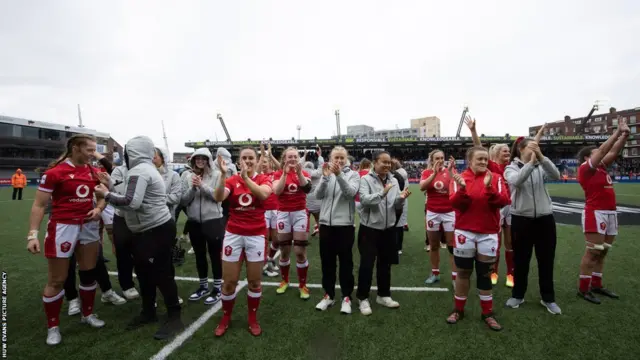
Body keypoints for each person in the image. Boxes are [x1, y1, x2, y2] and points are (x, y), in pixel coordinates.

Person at [95, 135, 183, 340]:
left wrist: (106, 194)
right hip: (147, 230)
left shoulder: (139, 171)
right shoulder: (144, 169)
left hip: (155, 229)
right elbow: (131, 195)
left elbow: (130, 202)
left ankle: (175, 317)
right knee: (143, 273)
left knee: (161, 274)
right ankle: (149, 311)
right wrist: (110, 184)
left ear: (132, 152)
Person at [27, 134, 106, 346]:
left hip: (88, 227)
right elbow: (39, 205)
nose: (93, 154)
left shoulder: (94, 172)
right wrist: (32, 234)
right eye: (89, 150)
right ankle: (53, 327)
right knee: (57, 280)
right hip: (63, 228)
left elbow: (102, 195)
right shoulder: (55, 173)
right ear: (76, 148)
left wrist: (98, 209)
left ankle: (87, 315)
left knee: (89, 273)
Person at [446, 146, 510, 331]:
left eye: (485, 159)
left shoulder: (496, 178)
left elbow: (503, 201)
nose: (483, 162)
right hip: (464, 232)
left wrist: (489, 186)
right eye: (479, 159)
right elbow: (456, 204)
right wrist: (463, 189)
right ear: (470, 161)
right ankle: (458, 310)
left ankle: (487, 313)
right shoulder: (459, 178)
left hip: (488, 233)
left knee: (484, 274)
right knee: (463, 273)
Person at [212, 147, 273, 337]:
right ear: (239, 161)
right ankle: (226, 317)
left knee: (254, 282)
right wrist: (222, 176)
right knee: (229, 282)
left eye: (251, 158)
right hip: (234, 234)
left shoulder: (263, 178)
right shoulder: (232, 180)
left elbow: (263, 195)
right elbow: (218, 197)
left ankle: (252, 319)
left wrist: (246, 178)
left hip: (256, 234)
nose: (247, 160)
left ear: (256, 160)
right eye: (244, 158)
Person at [503, 136, 562, 315]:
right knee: (521, 260)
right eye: (532, 147)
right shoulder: (510, 168)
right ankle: (518, 295)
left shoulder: (540, 165)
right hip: (521, 220)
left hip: (545, 219)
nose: (535, 149)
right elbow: (518, 180)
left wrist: (542, 159)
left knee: (546, 260)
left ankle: (548, 298)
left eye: (537, 147)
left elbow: (556, 175)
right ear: (521, 149)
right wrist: (531, 163)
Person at [575, 118, 629, 304]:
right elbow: (605, 149)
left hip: (610, 213)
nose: (600, 154)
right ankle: (583, 289)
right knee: (593, 252)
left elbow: (613, 151)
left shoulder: (602, 167)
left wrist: (624, 135)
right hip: (595, 213)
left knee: (604, 251)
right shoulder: (585, 169)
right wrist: (615, 132)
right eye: (595, 153)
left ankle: (596, 284)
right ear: (586, 158)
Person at [357, 151, 411, 316]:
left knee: (385, 264)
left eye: (389, 163)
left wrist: (401, 198)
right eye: (384, 162)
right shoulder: (365, 179)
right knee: (367, 264)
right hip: (369, 229)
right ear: (375, 162)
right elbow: (365, 200)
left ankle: (383, 295)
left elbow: (393, 204)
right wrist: (382, 193)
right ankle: (362, 297)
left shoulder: (393, 180)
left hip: (388, 228)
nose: (387, 165)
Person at [314, 146, 360, 314]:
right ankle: (329, 295)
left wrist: (339, 175)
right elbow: (318, 195)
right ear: (331, 158)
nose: (339, 161)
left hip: (345, 226)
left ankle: (346, 297)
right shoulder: (325, 173)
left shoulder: (353, 175)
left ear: (346, 159)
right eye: (336, 158)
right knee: (327, 263)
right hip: (326, 225)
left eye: (342, 158)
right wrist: (325, 178)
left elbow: (350, 193)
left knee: (346, 263)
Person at [179, 148, 227, 305]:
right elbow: (183, 201)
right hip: (194, 222)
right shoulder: (187, 176)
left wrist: (202, 185)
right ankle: (203, 286)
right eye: (197, 158)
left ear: (208, 159)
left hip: (213, 220)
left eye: (203, 158)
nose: (200, 160)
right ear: (193, 160)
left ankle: (218, 287)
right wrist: (193, 188)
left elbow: (217, 197)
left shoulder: (218, 175)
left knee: (215, 255)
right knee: (199, 255)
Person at [272, 147, 313, 299]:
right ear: (284, 159)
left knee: (300, 252)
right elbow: (277, 191)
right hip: (283, 214)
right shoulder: (277, 174)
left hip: (300, 213)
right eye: (289, 157)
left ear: (298, 158)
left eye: (295, 157)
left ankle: (303, 285)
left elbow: (307, 188)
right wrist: (284, 173)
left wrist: (299, 173)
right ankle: (285, 281)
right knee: (284, 250)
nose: (292, 159)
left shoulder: (304, 173)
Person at [420, 150, 457, 286]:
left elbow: (457, 187)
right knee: (434, 245)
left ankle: (455, 278)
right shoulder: (426, 172)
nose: (440, 160)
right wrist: (434, 173)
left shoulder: (450, 171)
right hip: (433, 212)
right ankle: (435, 273)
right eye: (437, 158)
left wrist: (452, 172)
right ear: (431, 159)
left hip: (449, 212)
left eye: (442, 158)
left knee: (452, 246)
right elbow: (422, 187)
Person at [109, 163, 140, 300]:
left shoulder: (147, 168)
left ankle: (148, 282)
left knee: (143, 252)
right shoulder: (119, 170)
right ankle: (127, 285)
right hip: (122, 217)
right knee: (123, 252)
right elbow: (120, 193)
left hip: (141, 217)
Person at [259, 143, 281, 277]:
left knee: (276, 239)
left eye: (266, 162)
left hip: (276, 210)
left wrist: (270, 155)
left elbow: (282, 168)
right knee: (265, 240)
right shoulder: (259, 176)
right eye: (262, 162)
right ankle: (264, 266)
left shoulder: (275, 174)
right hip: (264, 211)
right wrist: (262, 155)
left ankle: (269, 260)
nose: (263, 165)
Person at [392, 159, 409, 255]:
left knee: (396, 225)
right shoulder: (403, 172)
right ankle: (399, 247)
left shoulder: (396, 175)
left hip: (398, 199)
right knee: (400, 225)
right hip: (403, 199)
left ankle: (396, 246)